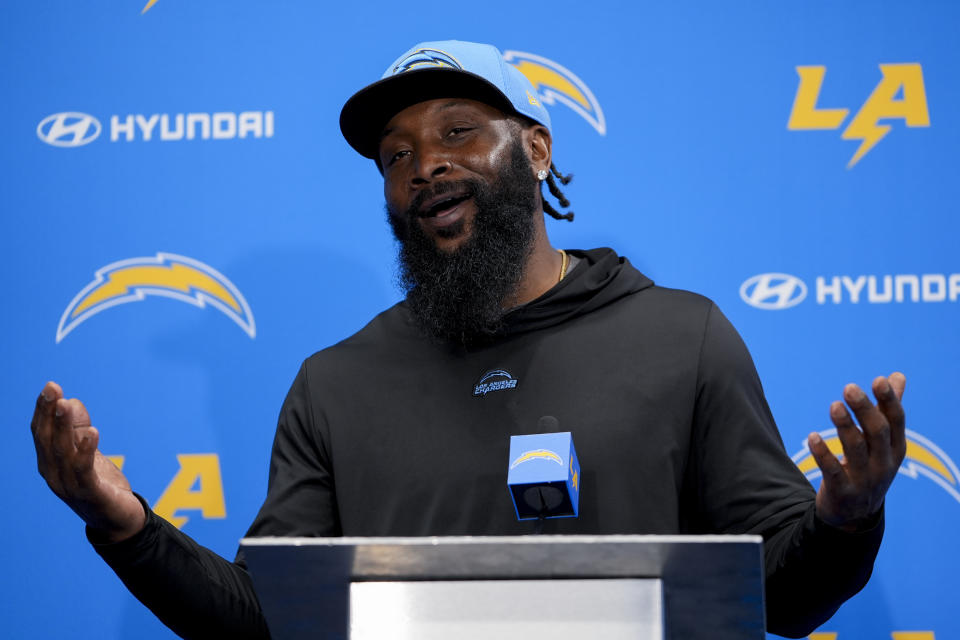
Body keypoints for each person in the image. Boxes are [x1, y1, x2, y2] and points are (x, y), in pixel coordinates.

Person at [31, 40, 907, 639]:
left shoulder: (684, 337)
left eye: (458, 133)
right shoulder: (333, 385)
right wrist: (126, 525)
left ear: (534, 147)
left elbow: (782, 598)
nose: (426, 167)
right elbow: (272, 619)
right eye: (396, 156)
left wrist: (844, 518)